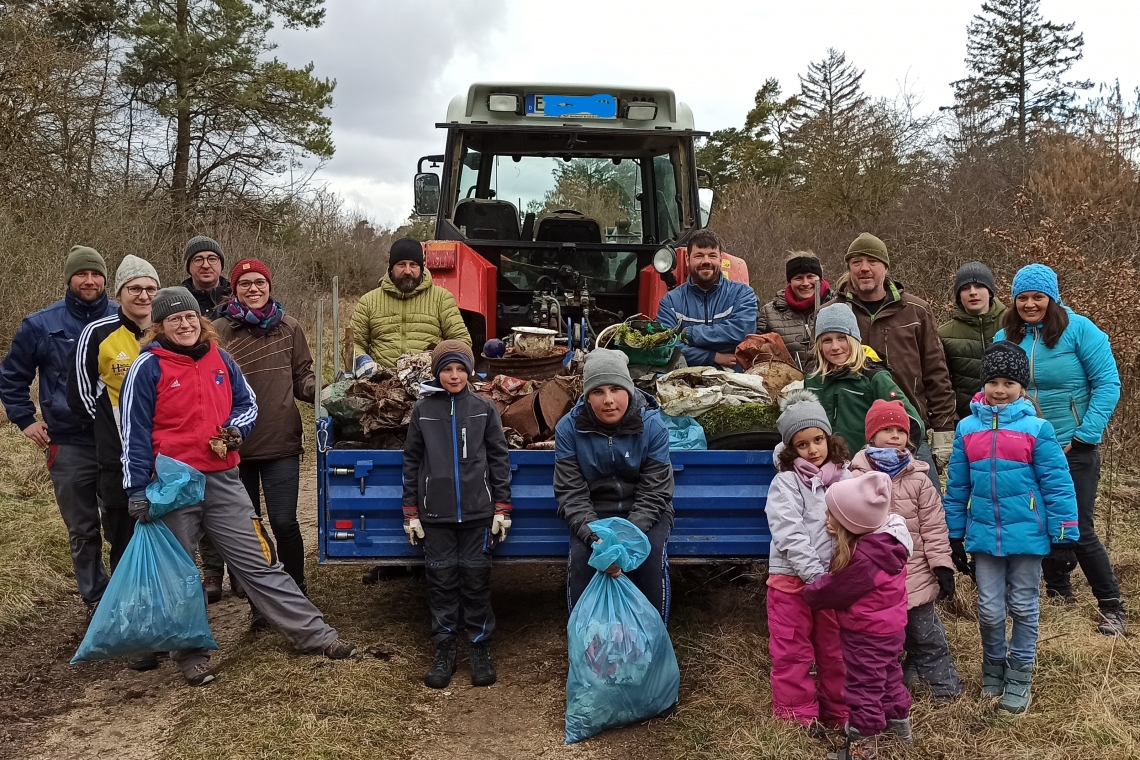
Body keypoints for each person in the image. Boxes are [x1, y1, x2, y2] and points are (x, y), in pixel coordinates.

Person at [119, 287, 355, 686]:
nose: (185, 324)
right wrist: (136, 490)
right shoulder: (147, 367)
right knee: (179, 573)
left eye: (190, 317)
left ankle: (315, 635)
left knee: (260, 560)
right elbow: (132, 434)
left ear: (201, 320)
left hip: (224, 479)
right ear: (159, 327)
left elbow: (247, 405)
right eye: (174, 319)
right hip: (174, 483)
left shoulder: (220, 358)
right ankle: (190, 655)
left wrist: (235, 430)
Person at [943, 340, 1079, 713]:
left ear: (1022, 387)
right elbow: (957, 486)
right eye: (993, 382)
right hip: (984, 534)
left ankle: (1020, 674)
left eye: (1008, 383)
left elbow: (1058, 483)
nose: (1000, 390)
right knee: (987, 609)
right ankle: (994, 665)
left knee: (1022, 605)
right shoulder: (967, 428)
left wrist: (1064, 537)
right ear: (983, 384)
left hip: (1028, 535)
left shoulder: (1038, 428)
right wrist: (953, 534)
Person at [994, 264, 1126, 635]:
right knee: (1039, 521)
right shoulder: (1006, 335)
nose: (1030, 304)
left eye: (1038, 297)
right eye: (1023, 297)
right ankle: (1058, 592)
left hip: (1074, 447)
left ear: (1052, 298)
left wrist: (1086, 434)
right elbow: (996, 387)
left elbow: (1108, 384)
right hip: (1026, 446)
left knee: (1077, 527)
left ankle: (1112, 606)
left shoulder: (1081, 330)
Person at [0, 246, 118, 615]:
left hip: (117, 440)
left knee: (122, 523)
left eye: (95, 274)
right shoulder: (41, 324)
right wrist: (26, 420)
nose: (89, 281)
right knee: (83, 529)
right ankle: (96, 599)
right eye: (81, 274)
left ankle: (129, 594)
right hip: (67, 442)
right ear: (69, 278)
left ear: (105, 278)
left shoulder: (123, 317)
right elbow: (12, 377)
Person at [66, 255, 161, 669]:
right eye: (134, 288)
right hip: (115, 459)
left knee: (168, 539)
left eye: (149, 289)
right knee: (124, 542)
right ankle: (136, 634)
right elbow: (81, 394)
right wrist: (116, 430)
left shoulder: (168, 331)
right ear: (119, 293)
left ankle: (167, 623)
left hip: (166, 456)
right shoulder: (98, 332)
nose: (143, 295)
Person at [401, 340, 512, 690]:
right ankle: (445, 648)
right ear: (437, 373)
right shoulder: (423, 410)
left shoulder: (483, 408)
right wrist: (411, 513)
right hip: (436, 515)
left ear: (469, 372)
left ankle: (480, 648)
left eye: (460, 369)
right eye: (447, 370)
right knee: (442, 582)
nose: (454, 376)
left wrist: (502, 508)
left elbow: (498, 459)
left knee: (476, 580)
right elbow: (411, 463)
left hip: (479, 514)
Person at [213, 259, 315, 621]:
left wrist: (320, 391)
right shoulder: (218, 331)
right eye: (245, 284)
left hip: (280, 441)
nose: (253, 289)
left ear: (270, 286)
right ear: (234, 289)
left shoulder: (290, 328)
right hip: (235, 446)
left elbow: (303, 375)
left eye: (259, 282)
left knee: (285, 523)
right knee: (248, 528)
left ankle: (297, 594)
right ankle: (263, 601)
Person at [850, 399, 962, 703]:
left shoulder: (918, 480)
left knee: (926, 635)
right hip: (875, 579)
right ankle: (893, 688)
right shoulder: (855, 478)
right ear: (871, 435)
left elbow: (934, 528)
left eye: (900, 429)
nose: (895, 435)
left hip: (915, 574)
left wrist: (942, 566)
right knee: (885, 639)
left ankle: (945, 687)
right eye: (886, 429)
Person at [555, 349, 674, 621]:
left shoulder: (652, 426)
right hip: (594, 513)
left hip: (645, 512)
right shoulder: (568, 429)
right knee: (584, 560)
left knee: (650, 555)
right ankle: (591, 643)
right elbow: (570, 492)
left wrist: (626, 539)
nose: (608, 400)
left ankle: (650, 641)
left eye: (616, 389)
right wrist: (597, 540)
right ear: (586, 396)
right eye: (598, 392)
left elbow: (656, 492)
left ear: (629, 391)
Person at [804, 472, 914, 759]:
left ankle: (862, 750)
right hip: (890, 630)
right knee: (888, 676)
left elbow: (833, 590)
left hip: (866, 634)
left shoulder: (863, 560)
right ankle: (900, 729)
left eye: (832, 514)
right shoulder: (888, 542)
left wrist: (810, 593)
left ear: (851, 524)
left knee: (863, 688)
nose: (827, 517)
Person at [835, 233, 956, 477]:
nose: (864, 268)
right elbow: (816, 372)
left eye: (872, 261)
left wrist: (944, 430)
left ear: (886, 267)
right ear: (849, 268)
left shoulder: (916, 311)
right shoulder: (833, 313)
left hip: (907, 431)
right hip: (851, 435)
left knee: (924, 505)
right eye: (856, 262)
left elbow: (936, 373)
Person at [765, 390, 850, 735]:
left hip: (834, 581)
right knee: (791, 649)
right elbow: (788, 531)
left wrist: (843, 526)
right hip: (791, 582)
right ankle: (796, 715)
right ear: (790, 449)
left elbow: (866, 519)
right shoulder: (785, 483)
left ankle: (840, 711)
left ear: (829, 438)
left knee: (836, 649)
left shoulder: (846, 479)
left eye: (818, 439)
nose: (813, 449)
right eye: (802, 444)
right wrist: (814, 574)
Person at [803, 303, 924, 457]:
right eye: (827, 340)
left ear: (854, 339)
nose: (835, 346)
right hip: (825, 469)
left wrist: (896, 461)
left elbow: (913, 422)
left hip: (865, 469)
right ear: (819, 345)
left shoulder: (874, 378)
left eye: (842, 338)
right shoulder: (812, 380)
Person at [351, 237, 471, 369]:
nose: (408, 271)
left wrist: (440, 361)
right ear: (391, 268)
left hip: (429, 380)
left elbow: (461, 341)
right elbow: (354, 343)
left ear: (421, 267)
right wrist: (363, 361)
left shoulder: (442, 298)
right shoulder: (368, 301)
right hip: (381, 381)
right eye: (401, 264)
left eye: (413, 265)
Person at [655, 229, 758, 369]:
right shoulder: (671, 302)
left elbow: (741, 332)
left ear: (720, 259)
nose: (706, 261)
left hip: (735, 379)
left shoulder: (742, 294)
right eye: (699, 256)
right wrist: (713, 357)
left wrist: (689, 335)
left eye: (712, 256)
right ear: (687, 259)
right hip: (685, 382)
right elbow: (665, 346)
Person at [938, 262, 1008, 421]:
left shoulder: (1013, 323)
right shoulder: (944, 334)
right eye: (965, 288)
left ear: (990, 292)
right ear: (958, 296)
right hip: (968, 419)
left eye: (979, 286)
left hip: (1014, 415)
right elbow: (942, 382)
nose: (973, 292)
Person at [756, 250, 834, 370]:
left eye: (810, 276)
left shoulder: (838, 307)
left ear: (820, 278)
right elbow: (757, 355)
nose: (805, 283)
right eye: (798, 278)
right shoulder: (769, 313)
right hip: (785, 384)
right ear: (790, 282)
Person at [182, 236, 230, 317]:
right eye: (198, 259)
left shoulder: (237, 298)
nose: (206, 265)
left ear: (221, 265)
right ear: (188, 267)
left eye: (212, 259)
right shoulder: (178, 299)